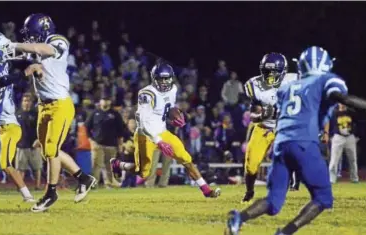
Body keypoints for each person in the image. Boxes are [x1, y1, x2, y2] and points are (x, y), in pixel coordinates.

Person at [224, 46, 366, 235]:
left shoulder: (286, 89)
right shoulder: (322, 80)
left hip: (281, 144)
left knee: (274, 201)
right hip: (303, 142)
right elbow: (341, 98)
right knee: (323, 197)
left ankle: (238, 219)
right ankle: (285, 234)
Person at [9, 14, 96, 212]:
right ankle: (83, 178)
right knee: (46, 148)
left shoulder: (57, 40)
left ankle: (51, 192)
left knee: (51, 148)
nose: (29, 38)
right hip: (44, 106)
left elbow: (42, 49)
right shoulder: (37, 49)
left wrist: (14, 45)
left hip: (60, 105)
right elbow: (25, 57)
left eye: (32, 34)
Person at [110, 63, 221, 198]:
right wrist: (159, 141)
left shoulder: (173, 89)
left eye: (166, 78)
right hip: (145, 135)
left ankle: (206, 190)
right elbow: (144, 122)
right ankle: (118, 164)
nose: (163, 82)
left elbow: (168, 108)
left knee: (186, 159)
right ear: (154, 78)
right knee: (143, 172)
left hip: (163, 132)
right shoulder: (147, 93)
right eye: (160, 79)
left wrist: (175, 115)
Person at [241, 53, 298, 204]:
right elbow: (252, 115)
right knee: (251, 165)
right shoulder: (254, 85)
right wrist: (262, 116)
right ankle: (249, 191)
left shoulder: (294, 80)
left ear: (283, 72)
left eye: (274, 73)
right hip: (264, 127)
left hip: (285, 128)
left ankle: (282, 191)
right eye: (267, 72)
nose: (270, 76)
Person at [0, 31, 39, 202]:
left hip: (8, 125)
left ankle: (28, 196)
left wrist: (32, 62)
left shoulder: (3, 67)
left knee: (4, 164)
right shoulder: (4, 68)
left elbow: (1, 80)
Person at [85, 93, 125, 188]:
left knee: (109, 166)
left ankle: (109, 184)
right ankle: (94, 184)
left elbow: (121, 130)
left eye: (107, 100)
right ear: (100, 102)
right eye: (103, 99)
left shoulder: (115, 114)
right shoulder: (95, 113)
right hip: (97, 144)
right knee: (96, 165)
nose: (105, 101)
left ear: (110, 102)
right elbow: (87, 127)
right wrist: (91, 140)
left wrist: (120, 144)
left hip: (112, 145)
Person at [16, 93, 43, 190]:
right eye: (25, 101)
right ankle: (21, 187)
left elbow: (41, 128)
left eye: (28, 101)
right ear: (22, 102)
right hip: (21, 145)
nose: (26, 103)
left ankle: (37, 186)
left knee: (37, 168)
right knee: (20, 168)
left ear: (31, 103)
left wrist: (39, 140)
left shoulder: (35, 114)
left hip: (34, 145)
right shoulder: (17, 114)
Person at [328, 103, 359, 183]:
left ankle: (354, 178)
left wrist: (357, 135)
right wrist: (331, 135)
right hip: (338, 136)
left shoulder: (351, 112)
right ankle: (332, 179)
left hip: (350, 136)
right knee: (334, 159)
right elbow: (329, 123)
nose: (342, 104)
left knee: (352, 159)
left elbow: (357, 123)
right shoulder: (334, 112)